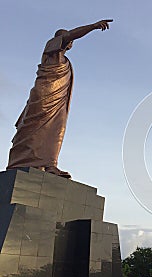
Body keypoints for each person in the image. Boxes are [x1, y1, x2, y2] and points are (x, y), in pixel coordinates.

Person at [7, 19, 113, 178]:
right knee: (34, 127)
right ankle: (25, 161)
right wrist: (93, 26)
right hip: (44, 97)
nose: (70, 43)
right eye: (68, 40)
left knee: (56, 129)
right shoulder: (51, 47)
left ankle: (48, 164)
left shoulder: (66, 61)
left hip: (58, 101)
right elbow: (70, 35)